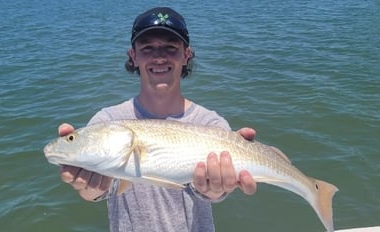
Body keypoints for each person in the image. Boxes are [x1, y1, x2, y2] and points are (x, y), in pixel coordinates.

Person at [56, 7, 258, 232]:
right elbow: (105, 188)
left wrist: (214, 190)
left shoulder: (211, 124)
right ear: (133, 56)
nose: (159, 57)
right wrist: (90, 188)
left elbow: (211, 193)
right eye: (147, 48)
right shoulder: (107, 121)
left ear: (186, 55)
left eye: (171, 47)